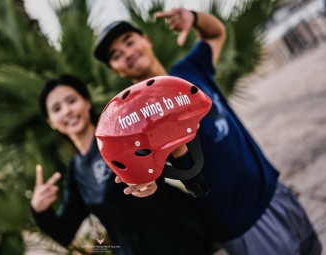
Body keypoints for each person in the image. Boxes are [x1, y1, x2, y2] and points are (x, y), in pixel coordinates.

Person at [93, 7, 322, 255]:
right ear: (115, 70)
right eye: (116, 55)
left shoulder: (189, 70)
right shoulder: (137, 120)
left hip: (272, 188)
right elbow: (155, 174)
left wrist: (195, 18)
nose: (126, 53)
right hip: (242, 221)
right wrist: (145, 182)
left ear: (145, 40)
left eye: (129, 41)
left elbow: (215, 33)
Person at [30, 74, 216, 255]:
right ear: (51, 122)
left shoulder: (123, 133)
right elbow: (65, 232)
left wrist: (154, 183)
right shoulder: (75, 171)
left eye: (71, 101)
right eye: (56, 109)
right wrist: (39, 211)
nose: (67, 111)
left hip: (180, 242)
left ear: (86, 102)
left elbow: (161, 170)